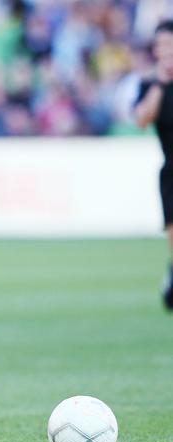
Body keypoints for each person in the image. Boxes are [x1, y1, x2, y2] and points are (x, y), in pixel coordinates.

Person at [134, 20, 173, 309]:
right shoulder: (150, 83)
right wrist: (161, 81)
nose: (164, 50)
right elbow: (142, 119)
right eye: (160, 45)